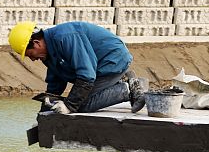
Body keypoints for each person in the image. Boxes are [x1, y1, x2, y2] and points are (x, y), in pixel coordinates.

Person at [8, 20, 146, 114]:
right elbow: (55, 84)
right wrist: (44, 113)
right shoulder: (47, 52)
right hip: (98, 68)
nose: (32, 59)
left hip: (113, 61)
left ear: (36, 43)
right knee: (75, 99)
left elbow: (86, 76)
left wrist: (69, 106)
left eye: (30, 54)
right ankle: (122, 80)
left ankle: (126, 88)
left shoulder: (65, 38)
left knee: (82, 105)